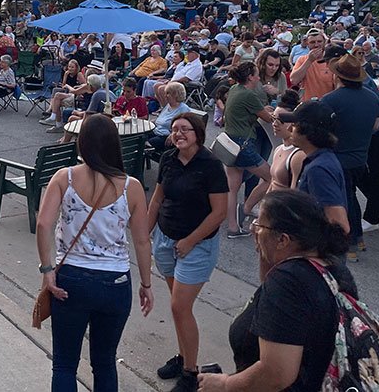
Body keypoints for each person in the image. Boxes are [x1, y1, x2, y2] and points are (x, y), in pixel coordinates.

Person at [35, 114, 153, 392]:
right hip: (115, 282)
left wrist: (47, 269)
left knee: (64, 363)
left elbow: (43, 223)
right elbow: (142, 241)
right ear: (115, 143)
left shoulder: (65, 178)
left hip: (72, 278)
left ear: (83, 143)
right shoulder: (131, 187)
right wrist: (146, 284)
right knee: (104, 362)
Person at [208, 190, 356, 392]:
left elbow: (276, 373)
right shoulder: (333, 269)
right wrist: (265, 252)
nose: (253, 229)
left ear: (283, 240)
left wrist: (225, 385)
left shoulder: (287, 283)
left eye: (259, 225)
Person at [148, 113, 229, 390]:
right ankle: (184, 356)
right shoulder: (169, 159)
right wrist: (144, 235)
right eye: (174, 129)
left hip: (196, 246)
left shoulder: (211, 165)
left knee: (179, 306)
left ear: (198, 133)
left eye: (185, 129)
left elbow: (219, 213)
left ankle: (190, 373)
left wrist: (191, 240)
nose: (178, 133)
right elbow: (157, 199)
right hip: (165, 240)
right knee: (178, 306)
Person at [320, 53, 379, 260]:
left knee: (344, 201)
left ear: (337, 77)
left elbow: (319, 128)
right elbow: (376, 126)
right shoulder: (373, 97)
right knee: (351, 197)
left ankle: (351, 243)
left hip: (338, 157)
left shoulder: (330, 99)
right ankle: (359, 238)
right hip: (360, 156)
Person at [280, 101, 349, 235]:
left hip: (317, 251)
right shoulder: (320, 159)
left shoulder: (318, 170)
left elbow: (340, 225)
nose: (289, 129)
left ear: (309, 132)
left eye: (294, 125)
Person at [222, 62, 273, 237]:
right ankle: (245, 208)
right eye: (257, 74)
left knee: (232, 187)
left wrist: (258, 111)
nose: (259, 77)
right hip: (243, 143)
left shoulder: (235, 89)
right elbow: (268, 118)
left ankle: (233, 228)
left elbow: (243, 113)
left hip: (229, 142)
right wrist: (266, 110)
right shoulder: (248, 95)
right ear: (250, 77)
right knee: (271, 177)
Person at [267, 90, 305, 193]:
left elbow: (295, 194)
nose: (275, 124)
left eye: (282, 120)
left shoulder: (298, 155)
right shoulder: (278, 149)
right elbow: (272, 182)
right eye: (273, 118)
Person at [148, 82, 193, 156]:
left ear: (175, 94)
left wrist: (173, 134)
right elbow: (162, 119)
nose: (165, 96)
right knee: (138, 136)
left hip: (165, 136)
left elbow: (186, 128)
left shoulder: (184, 110)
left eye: (168, 93)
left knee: (144, 143)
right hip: (156, 131)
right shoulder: (168, 106)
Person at [290, 30, 335, 101]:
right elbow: (294, 80)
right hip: (308, 103)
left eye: (319, 41)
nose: (316, 45)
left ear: (324, 43)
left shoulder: (332, 61)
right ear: (307, 44)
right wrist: (309, 61)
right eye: (312, 42)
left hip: (327, 104)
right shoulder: (302, 60)